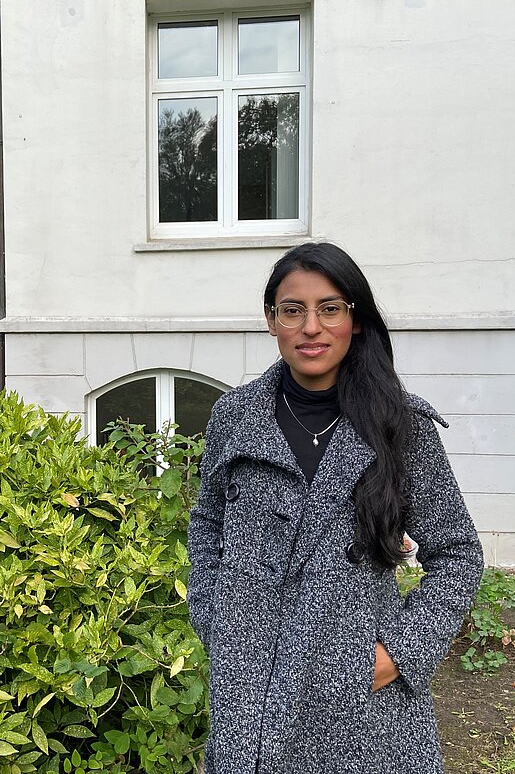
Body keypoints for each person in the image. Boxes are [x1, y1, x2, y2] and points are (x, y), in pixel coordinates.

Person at [187, 242, 484, 774]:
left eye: (329, 309)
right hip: (247, 690)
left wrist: (399, 654)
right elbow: (208, 524)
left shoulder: (400, 426)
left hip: (357, 703)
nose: (311, 328)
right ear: (271, 321)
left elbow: (458, 554)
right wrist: (214, 619)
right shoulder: (234, 417)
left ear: (356, 320)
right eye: (292, 310)